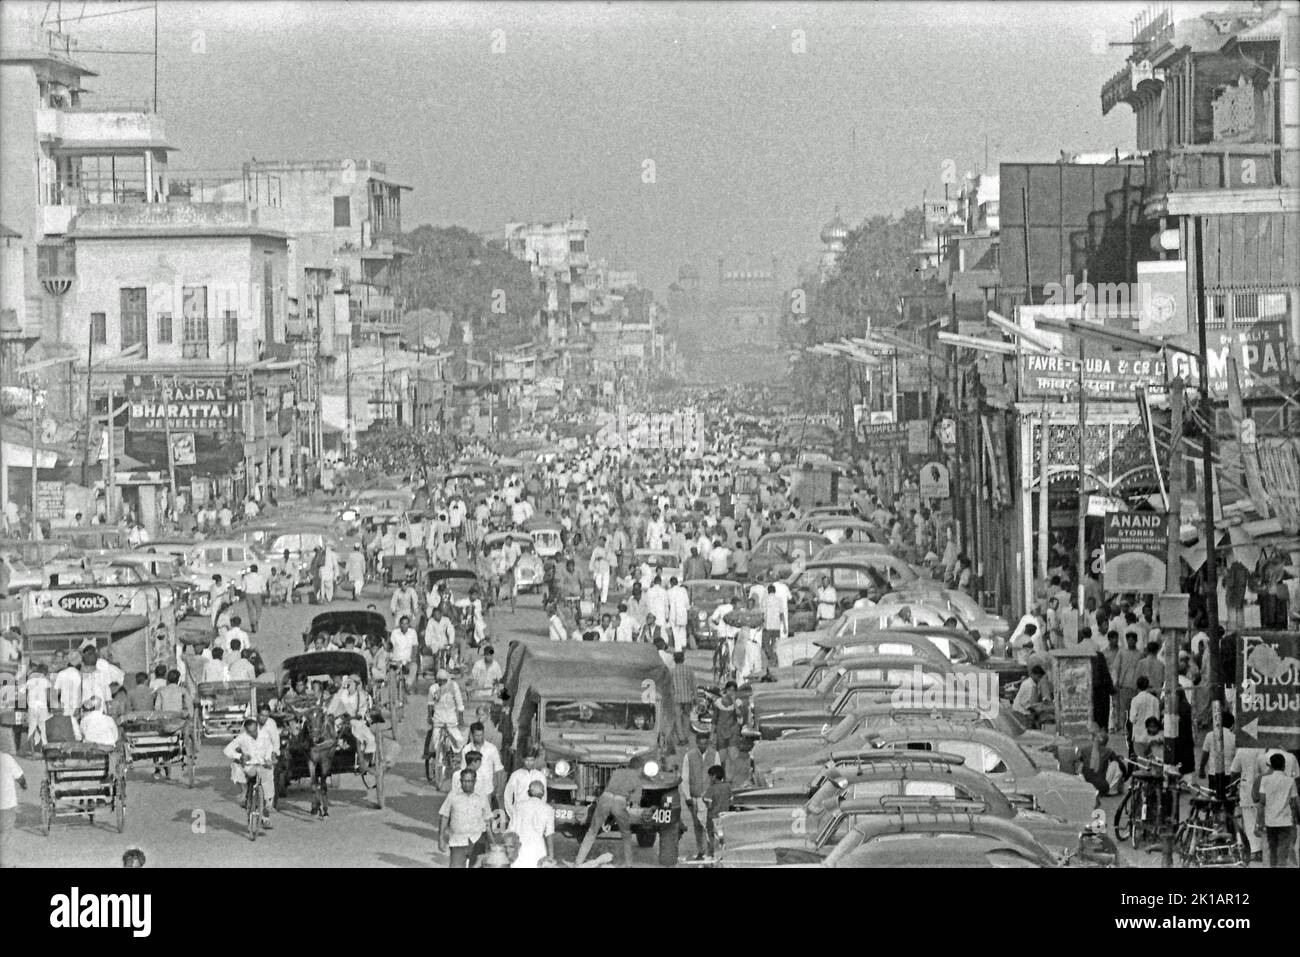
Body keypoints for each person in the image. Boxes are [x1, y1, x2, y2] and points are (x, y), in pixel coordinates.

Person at [573, 754, 648, 867]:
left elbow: (609, 788)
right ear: (640, 769)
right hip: (619, 803)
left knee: (592, 831)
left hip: (604, 800)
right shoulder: (637, 781)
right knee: (626, 835)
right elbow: (634, 802)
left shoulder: (616, 772)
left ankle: (578, 862)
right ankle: (629, 864)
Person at [1252, 752, 1299, 868]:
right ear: (1284, 765)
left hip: (1270, 823)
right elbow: (1294, 804)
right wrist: (1295, 822)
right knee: (1284, 852)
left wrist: (1258, 823)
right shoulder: (1290, 781)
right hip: (1285, 823)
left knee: (1272, 853)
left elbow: (1262, 803)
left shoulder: (1265, 780)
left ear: (1270, 765)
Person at [439, 768, 493, 867]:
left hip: (477, 840)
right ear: (460, 781)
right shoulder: (453, 795)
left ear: (475, 781)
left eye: (470, 781)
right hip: (457, 841)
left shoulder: (482, 796)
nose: (467, 784)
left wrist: (491, 842)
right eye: (464, 781)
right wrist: (441, 838)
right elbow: (445, 816)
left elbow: (487, 819)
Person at [223, 717, 273, 826]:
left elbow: (269, 747)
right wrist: (240, 755)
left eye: (255, 730)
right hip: (249, 766)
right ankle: (248, 799)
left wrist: (268, 758)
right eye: (250, 731)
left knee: (267, 784)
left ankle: (265, 814)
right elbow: (227, 750)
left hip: (262, 764)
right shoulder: (242, 738)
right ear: (246, 730)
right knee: (251, 778)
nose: (253, 733)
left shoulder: (264, 736)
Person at [679, 732, 719, 860]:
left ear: (708, 743)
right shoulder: (689, 756)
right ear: (696, 743)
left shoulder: (714, 754)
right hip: (695, 798)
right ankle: (701, 851)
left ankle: (711, 851)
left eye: (705, 743)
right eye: (700, 743)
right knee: (698, 826)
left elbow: (718, 777)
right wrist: (687, 797)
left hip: (709, 798)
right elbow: (684, 778)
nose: (702, 746)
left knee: (710, 825)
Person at [328, 674, 377, 770]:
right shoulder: (342, 695)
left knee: (357, 731)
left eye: (351, 683)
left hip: (356, 720)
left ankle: (361, 759)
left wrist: (356, 715)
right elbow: (334, 708)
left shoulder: (362, 696)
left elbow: (362, 711)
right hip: (342, 719)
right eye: (348, 683)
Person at [508, 779, 556, 868]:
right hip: (538, 852)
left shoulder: (518, 806)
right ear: (543, 794)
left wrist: (509, 852)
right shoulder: (548, 809)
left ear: (528, 792)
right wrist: (551, 855)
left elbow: (511, 831)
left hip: (519, 851)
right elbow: (549, 834)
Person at [459, 722, 504, 802]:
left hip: (487, 789)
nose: (480, 737)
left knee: (487, 813)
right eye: (477, 735)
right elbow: (463, 770)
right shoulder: (466, 749)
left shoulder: (491, 748)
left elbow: (498, 769)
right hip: (472, 789)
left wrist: (499, 788)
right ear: (472, 735)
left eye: (482, 734)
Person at [502, 746, 548, 822]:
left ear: (535, 760)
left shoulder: (540, 776)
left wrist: (539, 812)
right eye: (527, 760)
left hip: (534, 814)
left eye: (532, 760)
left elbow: (544, 796)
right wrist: (511, 813)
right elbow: (508, 795)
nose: (529, 763)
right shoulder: (516, 775)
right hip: (519, 813)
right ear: (523, 759)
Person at [1198, 712, 1237, 799]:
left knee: (1213, 799)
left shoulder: (1210, 735)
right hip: (1229, 775)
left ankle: (1214, 811)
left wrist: (1201, 769)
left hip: (1213, 774)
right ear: (1232, 724)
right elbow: (1236, 758)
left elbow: (1205, 755)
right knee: (1228, 799)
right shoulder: (1234, 738)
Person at [1, 747, 27, 869]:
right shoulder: (7, 759)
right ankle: (5, 864)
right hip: (6, 804)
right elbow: (20, 777)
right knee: (6, 835)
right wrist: (24, 784)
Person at [1079, 729, 1125, 797]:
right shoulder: (1109, 751)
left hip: (1086, 785)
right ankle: (1112, 790)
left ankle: (1082, 786)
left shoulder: (1084, 749)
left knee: (1081, 765)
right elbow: (1122, 767)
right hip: (1102, 787)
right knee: (1115, 764)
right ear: (1106, 742)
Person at [428, 669, 466, 750]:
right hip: (438, 719)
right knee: (435, 742)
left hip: (451, 719)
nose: (441, 683)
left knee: (459, 742)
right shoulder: (433, 689)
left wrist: (461, 718)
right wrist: (429, 717)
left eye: (443, 681)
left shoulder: (454, 686)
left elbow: (459, 703)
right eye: (439, 681)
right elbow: (430, 704)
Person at [702, 764, 731, 858]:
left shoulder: (711, 789)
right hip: (725, 816)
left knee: (711, 837)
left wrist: (704, 800)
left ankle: (712, 855)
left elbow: (709, 805)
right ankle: (723, 855)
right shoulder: (727, 786)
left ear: (714, 776)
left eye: (710, 776)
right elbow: (731, 800)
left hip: (713, 817)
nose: (709, 778)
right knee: (723, 838)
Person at [389, 615, 419, 693]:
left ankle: (407, 684)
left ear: (409, 624)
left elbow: (415, 646)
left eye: (406, 623)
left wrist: (412, 658)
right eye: (402, 623)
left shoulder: (412, 632)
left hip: (408, 660)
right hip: (397, 660)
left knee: (414, 666)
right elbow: (391, 646)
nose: (404, 625)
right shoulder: (395, 633)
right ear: (400, 624)